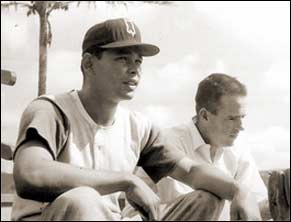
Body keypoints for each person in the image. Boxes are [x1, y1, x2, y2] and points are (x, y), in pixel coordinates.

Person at [12, 19, 261, 221]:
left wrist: (239, 190)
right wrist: (126, 181)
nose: (134, 69)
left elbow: (191, 171)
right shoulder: (52, 110)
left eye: (138, 61)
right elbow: (30, 174)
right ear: (88, 64)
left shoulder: (137, 126)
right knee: (83, 199)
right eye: (122, 59)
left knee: (207, 198)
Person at [150, 73, 270, 220]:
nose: (241, 127)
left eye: (242, 117)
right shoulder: (167, 142)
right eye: (232, 118)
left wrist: (275, 204)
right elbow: (199, 209)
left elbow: (253, 206)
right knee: (206, 198)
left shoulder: (238, 148)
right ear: (205, 115)